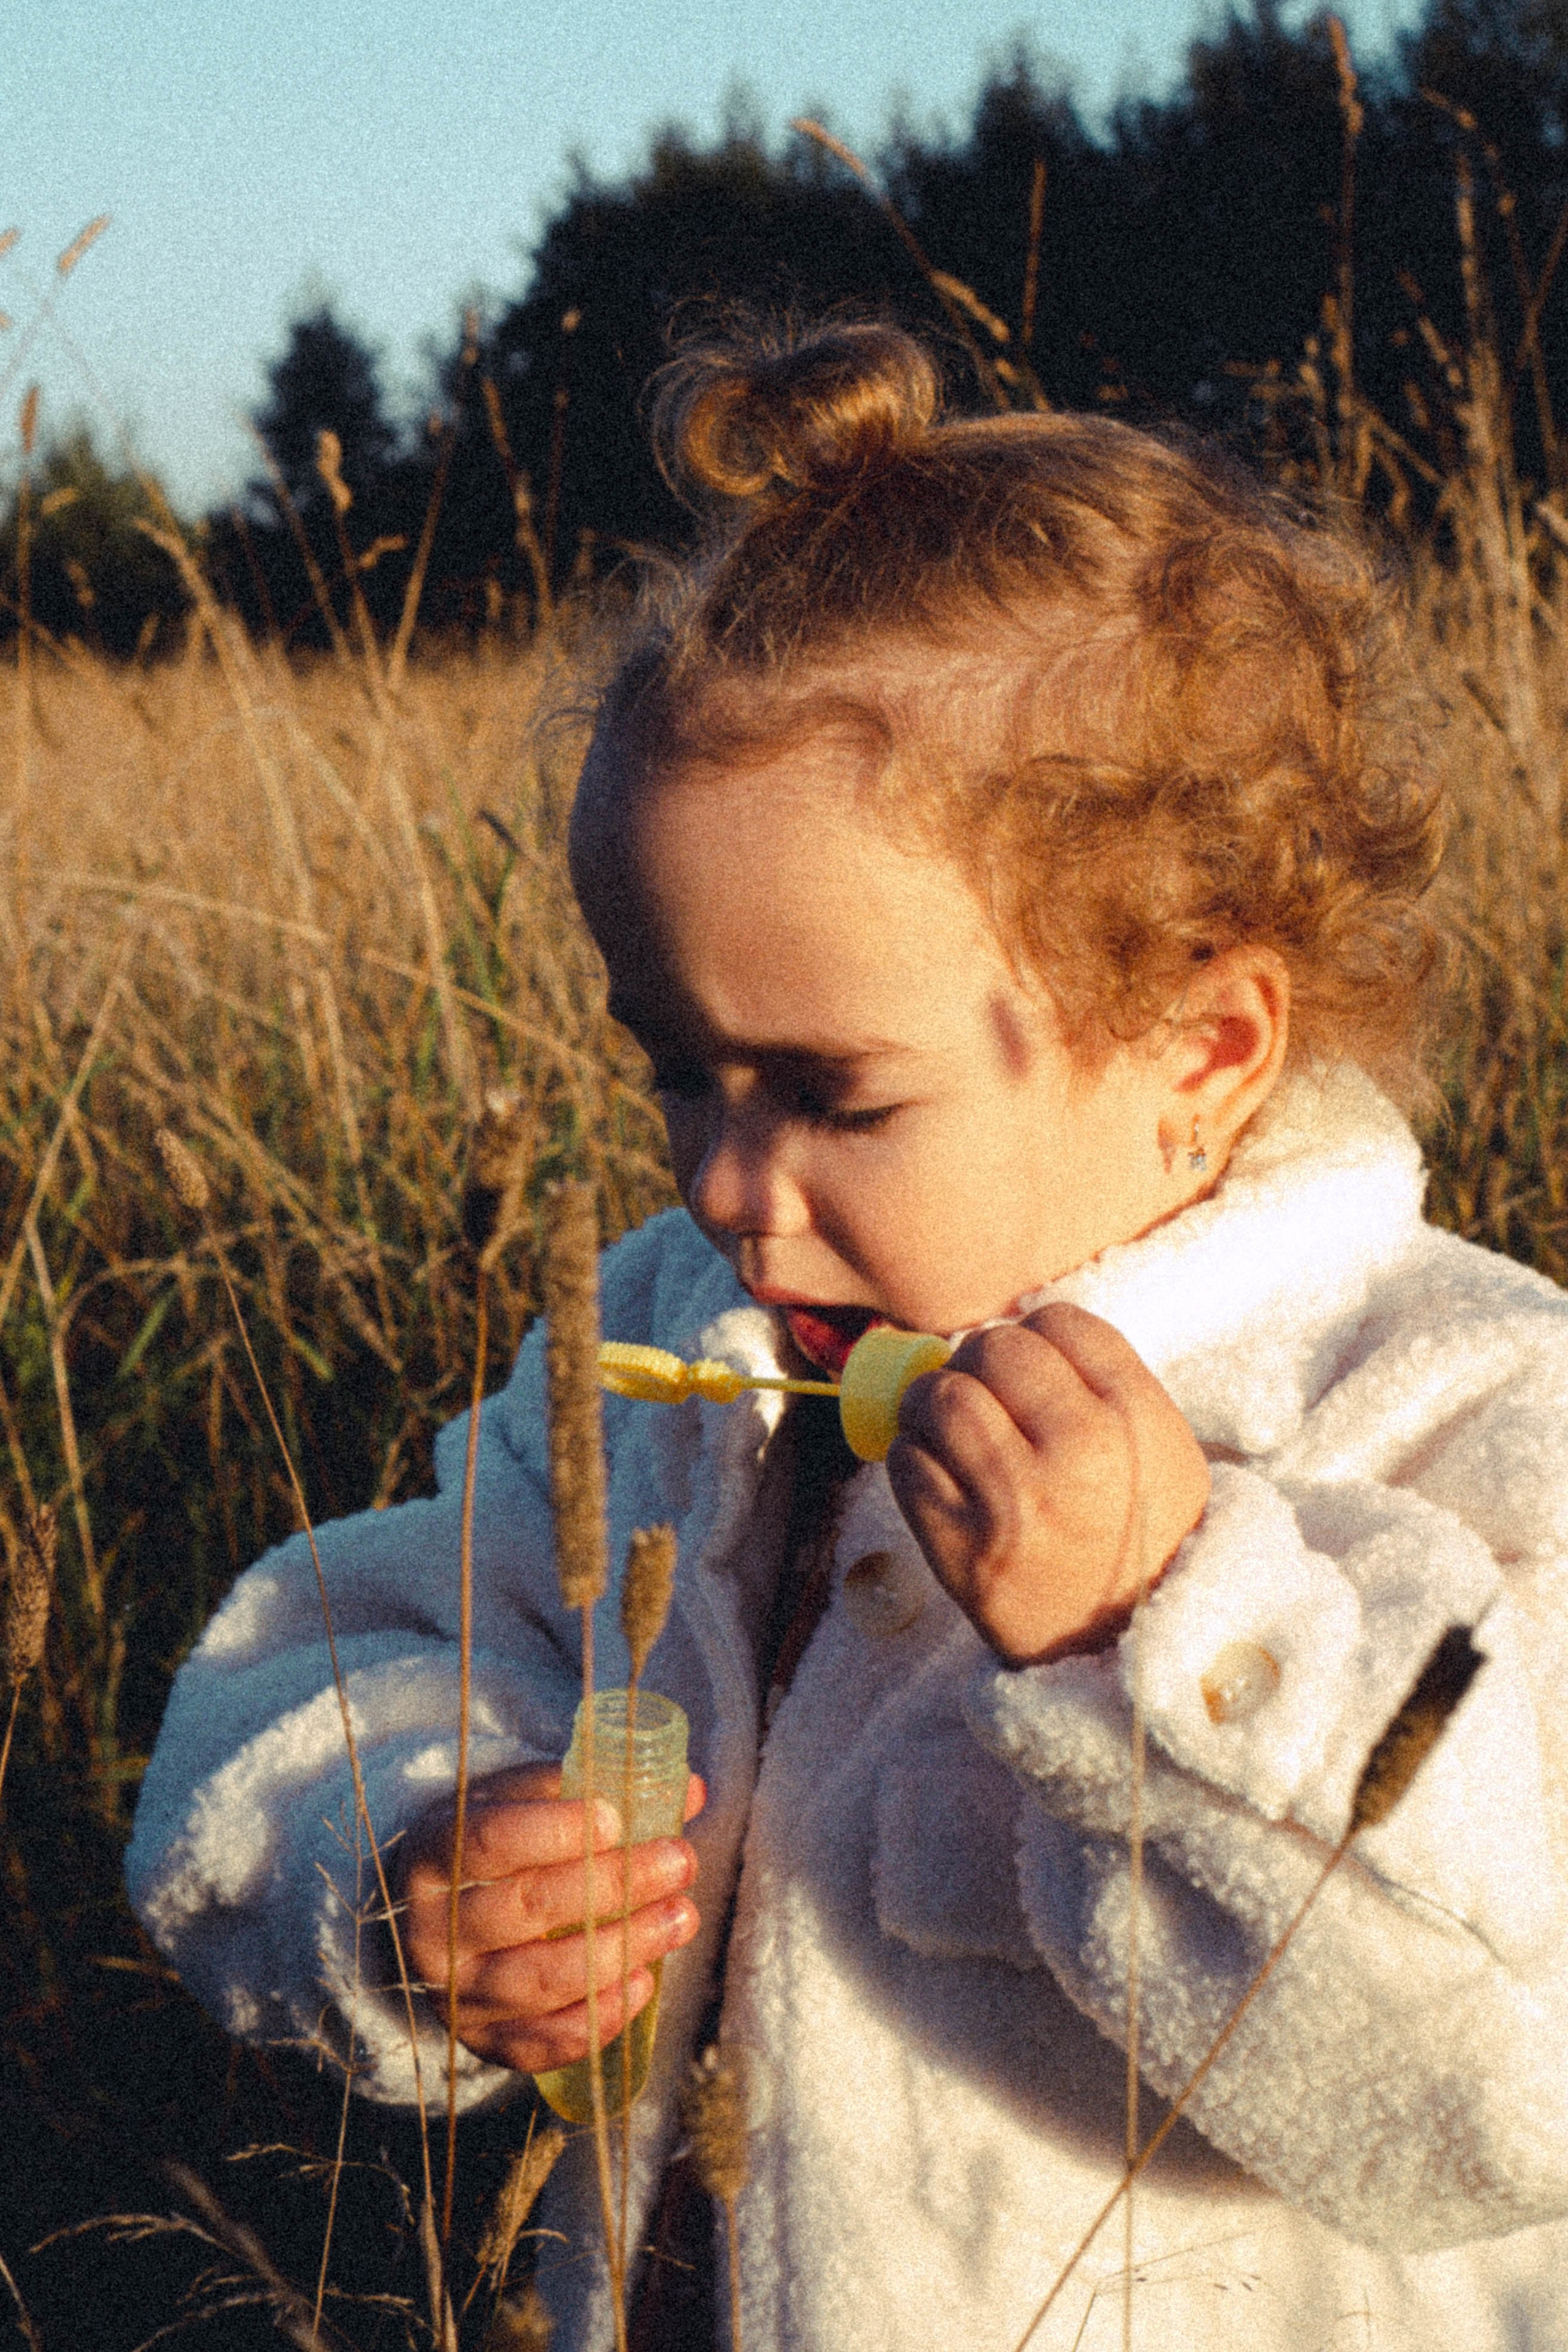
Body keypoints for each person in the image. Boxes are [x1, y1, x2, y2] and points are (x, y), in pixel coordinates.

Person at [128, 322, 1568, 2352]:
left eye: (830, 1092)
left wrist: (1163, 1638)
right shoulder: (671, 1344)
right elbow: (321, 1652)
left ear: (1201, 1046)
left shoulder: (1454, 1411)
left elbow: (1510, 2103)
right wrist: (408, 1863)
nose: (726, 1180)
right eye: (678, 1071)